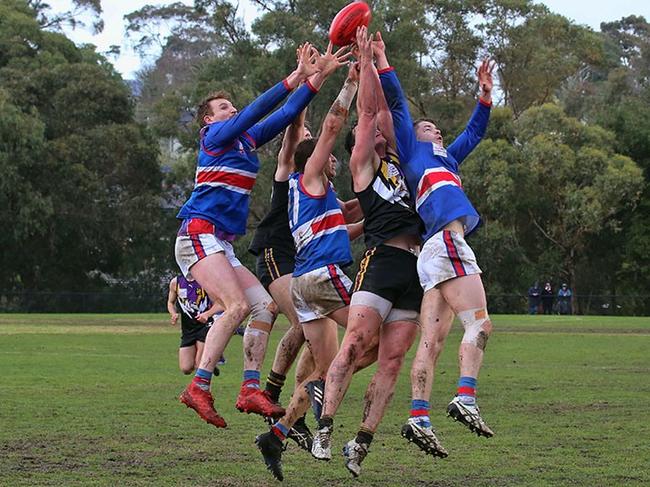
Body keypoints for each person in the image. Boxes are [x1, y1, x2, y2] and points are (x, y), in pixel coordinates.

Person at [175, 43, 349, 429]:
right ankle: (199, 387)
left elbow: (288, 114)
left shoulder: (245, 141)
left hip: (220, 243)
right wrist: (296, 75)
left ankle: (250, 387)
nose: (232, 110)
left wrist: (321, 74)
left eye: (230, 107)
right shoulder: (214, 138)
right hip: (198, 233)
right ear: (208, 120)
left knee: (262, 307)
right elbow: (256, 110)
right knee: (235, 306)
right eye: (223, 108)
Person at [310, 27, 421, 477]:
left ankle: (362, 441)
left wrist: (382, 59)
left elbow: (394, 110)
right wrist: (367, 63)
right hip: (381, 261)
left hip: (415, 269)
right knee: (355, 344)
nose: (373, 128)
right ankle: (324, 427)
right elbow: (373, 109)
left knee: (392, 361)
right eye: (366, 127)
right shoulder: (363, 164)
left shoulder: (403, 161)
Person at [378, 39, 496, 456]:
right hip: (446, 239)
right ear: (414, 136)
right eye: (428, 127)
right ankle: (465, 396)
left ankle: (419, 416)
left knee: (432, 341)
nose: (437, 130)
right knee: (480, 325)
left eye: (437, 128)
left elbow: (475, 132)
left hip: (434, 251)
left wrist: (484, 96)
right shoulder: (413, 152)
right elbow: (397, 106)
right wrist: (384, 62)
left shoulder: (449, 160)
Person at [255, 55, 367, 481]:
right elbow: (333, 126)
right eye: (327, 156)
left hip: (307, 282)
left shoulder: (317, 198)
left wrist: (377, 217)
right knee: (368, 335)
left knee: (326, 367)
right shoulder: (309, 175)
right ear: (315, 159)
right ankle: (291, 397)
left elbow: (349, 224)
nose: (333, 159)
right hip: (322, 276)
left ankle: (279, 433)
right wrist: (349, 83)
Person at [247, 110, 315, 452]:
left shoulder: (315, 185)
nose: (309, 138)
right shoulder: (287, 170)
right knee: (306, 322)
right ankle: (276, 397)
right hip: (275, 251)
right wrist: (307, 86)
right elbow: (292, 135)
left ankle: (276, 394)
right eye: (305, 135)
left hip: (300, 258)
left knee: (309, 326)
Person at [167, 276, 225, 375]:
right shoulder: (176, 282)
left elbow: (221, 304)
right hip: (188, 329)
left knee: (199, 365)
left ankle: (201, 388)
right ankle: (211, 363)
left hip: (205, 325)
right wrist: (173, 313)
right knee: (186, 368)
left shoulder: (205, 281)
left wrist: (207, 314)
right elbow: (170, 302)